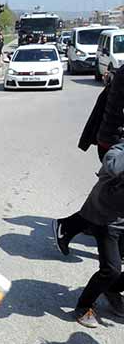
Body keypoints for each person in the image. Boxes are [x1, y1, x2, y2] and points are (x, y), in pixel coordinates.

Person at [54, 67, 124, 253]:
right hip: (115, 147)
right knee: (110, 201)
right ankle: (70, 226)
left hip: (112, 143)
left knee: (110, 200)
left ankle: (72, 227)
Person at [66, 142, 124, 327]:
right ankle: (84, 306)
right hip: (108, 219)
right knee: (111, 269)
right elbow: (113, 166)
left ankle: (111, 289)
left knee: (113, 275)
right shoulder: (119, 151)